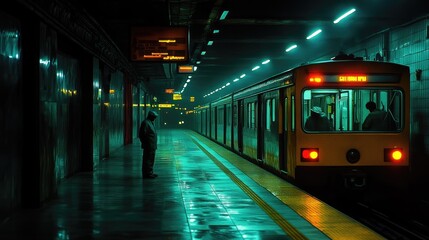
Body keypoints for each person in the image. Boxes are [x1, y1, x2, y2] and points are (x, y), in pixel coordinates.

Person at [139, 110, 159, 179]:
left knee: (151, 159)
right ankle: (147, 174)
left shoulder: (151, 122)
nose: (154, 118)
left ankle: (150, 172)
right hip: (148, 145)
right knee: (147, 160)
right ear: (150, 116)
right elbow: (142, 134)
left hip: (152, 145)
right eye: (154, 117)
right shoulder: (145, 123)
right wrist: (145, 143)